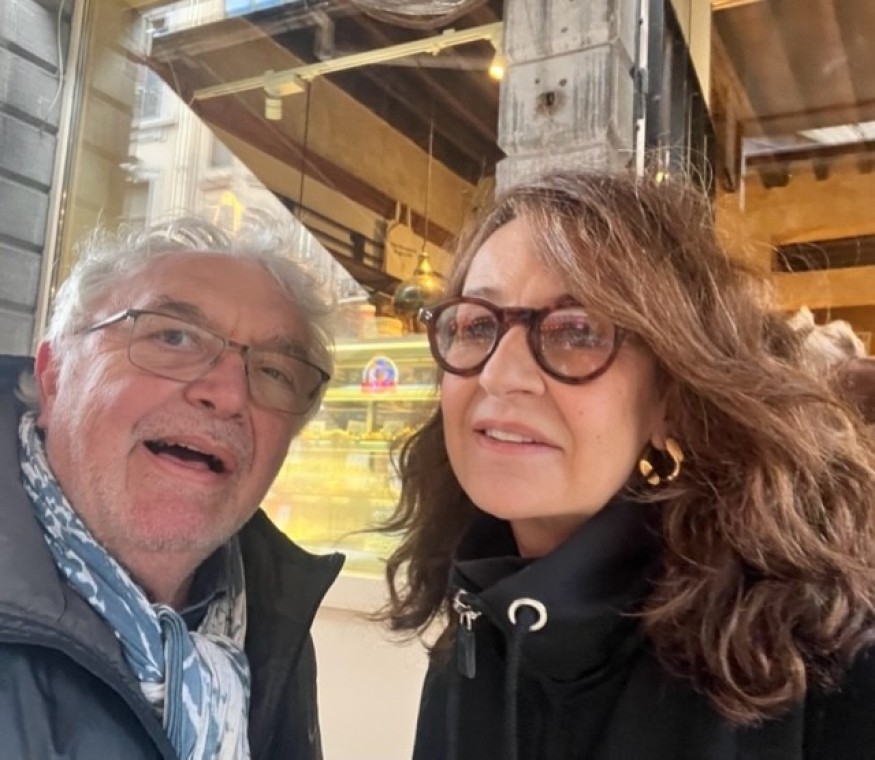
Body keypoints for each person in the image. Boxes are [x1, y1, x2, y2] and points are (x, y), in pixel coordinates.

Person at [380, 170, 875, 759]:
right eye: (477, 325)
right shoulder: (471, 635)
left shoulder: (824, 666)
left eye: (577, 330)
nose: (498, 374)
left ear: (672, 397)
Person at [0, 216, 344, 759]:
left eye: (275, 372)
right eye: (173, 336)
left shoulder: (268, 623)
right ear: (53, 376)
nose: (229, 395)